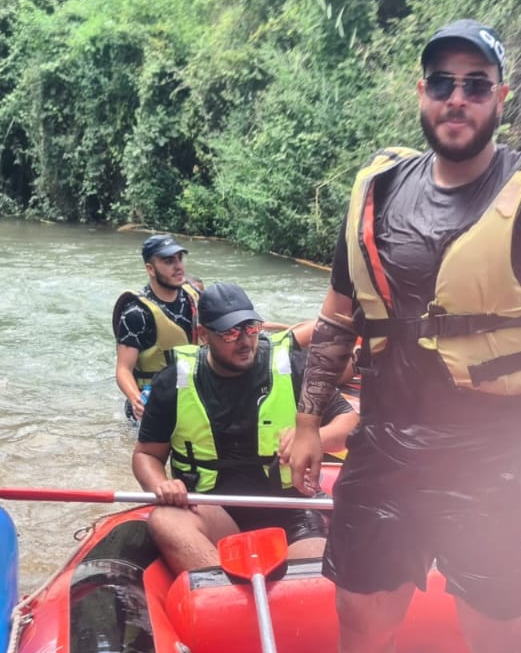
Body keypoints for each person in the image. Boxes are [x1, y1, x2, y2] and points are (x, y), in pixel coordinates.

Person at [285, 19, 521, 653]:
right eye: (443, 82)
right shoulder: (379, 194)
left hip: (503, 456)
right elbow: (338, 321)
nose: (457, 98)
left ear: (500, 97)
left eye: (476, 85)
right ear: (421, 93)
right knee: (362, 619)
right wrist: (310, 422)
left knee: (501, 639)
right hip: (388, 448)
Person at [133, 282, 357, 574]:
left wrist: (314, 436)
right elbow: (146, 455)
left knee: (311, 577)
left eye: (250, 328)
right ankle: (223, 593)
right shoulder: (175, 381)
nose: (244, 341)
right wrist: (161, 484)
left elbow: (349, 421)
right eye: (229, 333)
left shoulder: (289, 366)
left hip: (289, 509)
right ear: (203, 336)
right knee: (164, 519)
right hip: (216, 513)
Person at [113, 234, 200, 421]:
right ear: (150, 269)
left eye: (180, 259)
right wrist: (137, 401)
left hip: (190, 394)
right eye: (169, 261)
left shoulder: (194, 297)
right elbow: (123, 370)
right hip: (152, 399)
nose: (178, 267)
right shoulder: (136, 313)